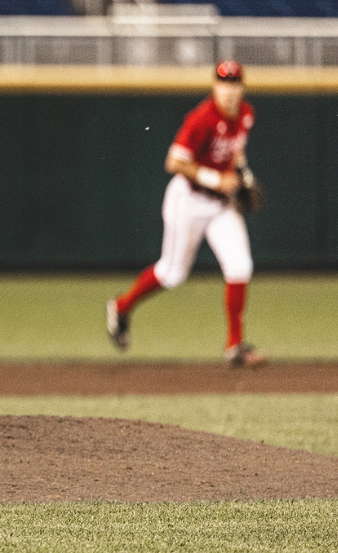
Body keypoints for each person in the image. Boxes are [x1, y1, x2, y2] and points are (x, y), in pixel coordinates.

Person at [107, 60, 267, 368]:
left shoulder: (245, 114)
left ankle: (234, 347)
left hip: (221, 205)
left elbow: (236, 153)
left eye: (234, 83)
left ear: (242, 87)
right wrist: (215, 179)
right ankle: (121, 305)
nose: (229, 89)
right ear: (214, 86)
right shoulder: (202, 119)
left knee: (240, 266)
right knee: (172, 273)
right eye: (224, 83)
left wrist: (244, 175)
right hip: (189, 201)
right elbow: (174, 163)